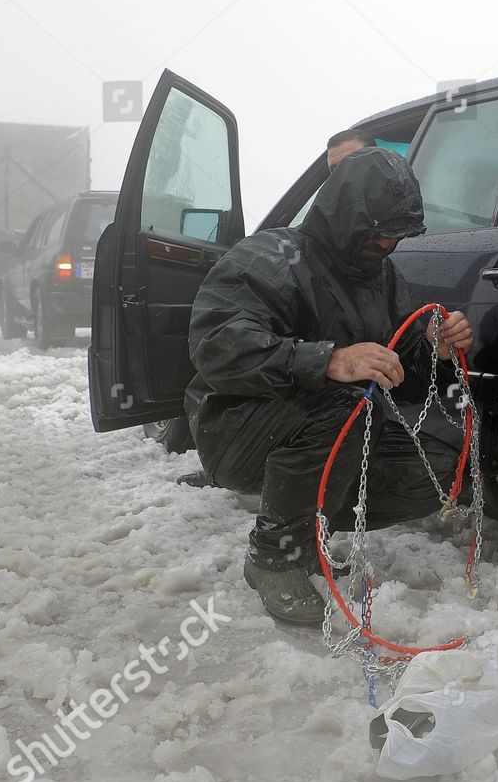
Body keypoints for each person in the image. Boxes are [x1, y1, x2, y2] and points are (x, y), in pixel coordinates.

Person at [184, 146, 473, 624]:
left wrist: (433, 349)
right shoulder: (269, 257)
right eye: (379, 232)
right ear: (345, 214)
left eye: (396, 235)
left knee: (441, 468)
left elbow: (395, 367)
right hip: (239, 428)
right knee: (345, 404)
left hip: (329, 424)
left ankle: (307, 528)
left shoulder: (381, 277)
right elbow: (217, 346)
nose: (387, 245)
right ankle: (274, 555)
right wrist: (329, 359)